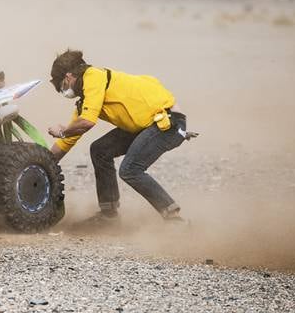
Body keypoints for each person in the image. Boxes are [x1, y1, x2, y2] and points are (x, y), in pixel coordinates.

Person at [46, 49, 194, 226]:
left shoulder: (93, 77)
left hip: (168, 123)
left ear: (69, 77)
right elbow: (67, 140)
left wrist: (62, 130)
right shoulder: (88, 96)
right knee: (100, 150)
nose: (65, 93)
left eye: (62, 87)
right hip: (145, 124)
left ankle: (174, 219)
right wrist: (43, 164)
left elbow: (86, 123)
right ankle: (109, 216)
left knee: (130, 169)